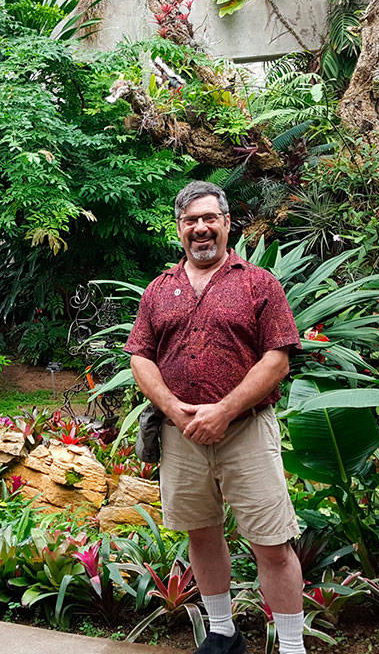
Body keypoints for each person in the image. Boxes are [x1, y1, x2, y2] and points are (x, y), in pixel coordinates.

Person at [124, 181, 306, 654]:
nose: (200, 228)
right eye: (190, 220)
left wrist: (224, 411)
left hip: (245, 430)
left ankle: (291, 647)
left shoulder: (258, 282)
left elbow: (277, 358)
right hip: (181, 434)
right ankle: (223, 633)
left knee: (271, 543)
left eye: (209, 218)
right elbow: (140, 356)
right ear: (179, 229)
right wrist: (172, 407)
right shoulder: (159, 290)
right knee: (201, 533)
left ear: (226, 224)